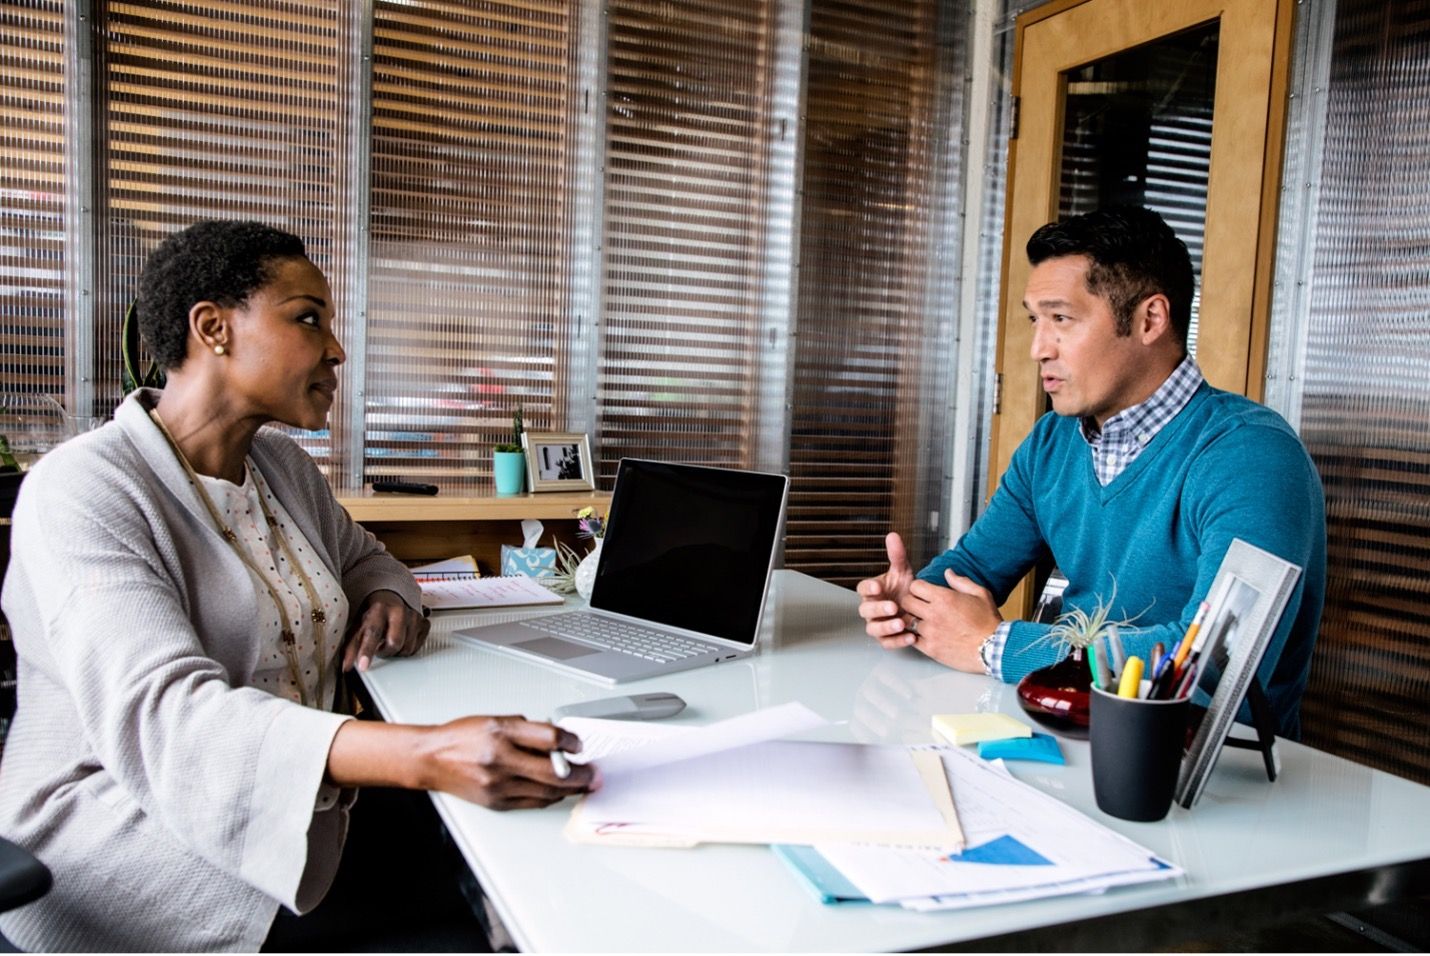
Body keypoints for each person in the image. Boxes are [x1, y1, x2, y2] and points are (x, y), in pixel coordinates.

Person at [0, 220, 598, 951]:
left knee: (507, 862)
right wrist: (425, 753)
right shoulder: (85, 489)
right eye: (308, 319)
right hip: (135, 846)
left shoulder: (279, 466)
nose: (337, 349)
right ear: (213, 329)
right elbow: (170, 719)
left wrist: (387, 597)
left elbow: (368, 557)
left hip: (303, 813)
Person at [857, 206, 1326, 739]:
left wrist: (998, 647)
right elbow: (974, 569)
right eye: (1035, 320)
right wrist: (910, 604)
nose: (1038, 348)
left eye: (1061, 319)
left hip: (1197, 764)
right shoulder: (1052, 442)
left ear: (1149, 320)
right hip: (1062, 731)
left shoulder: (1251, 456)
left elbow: (1216, 662)